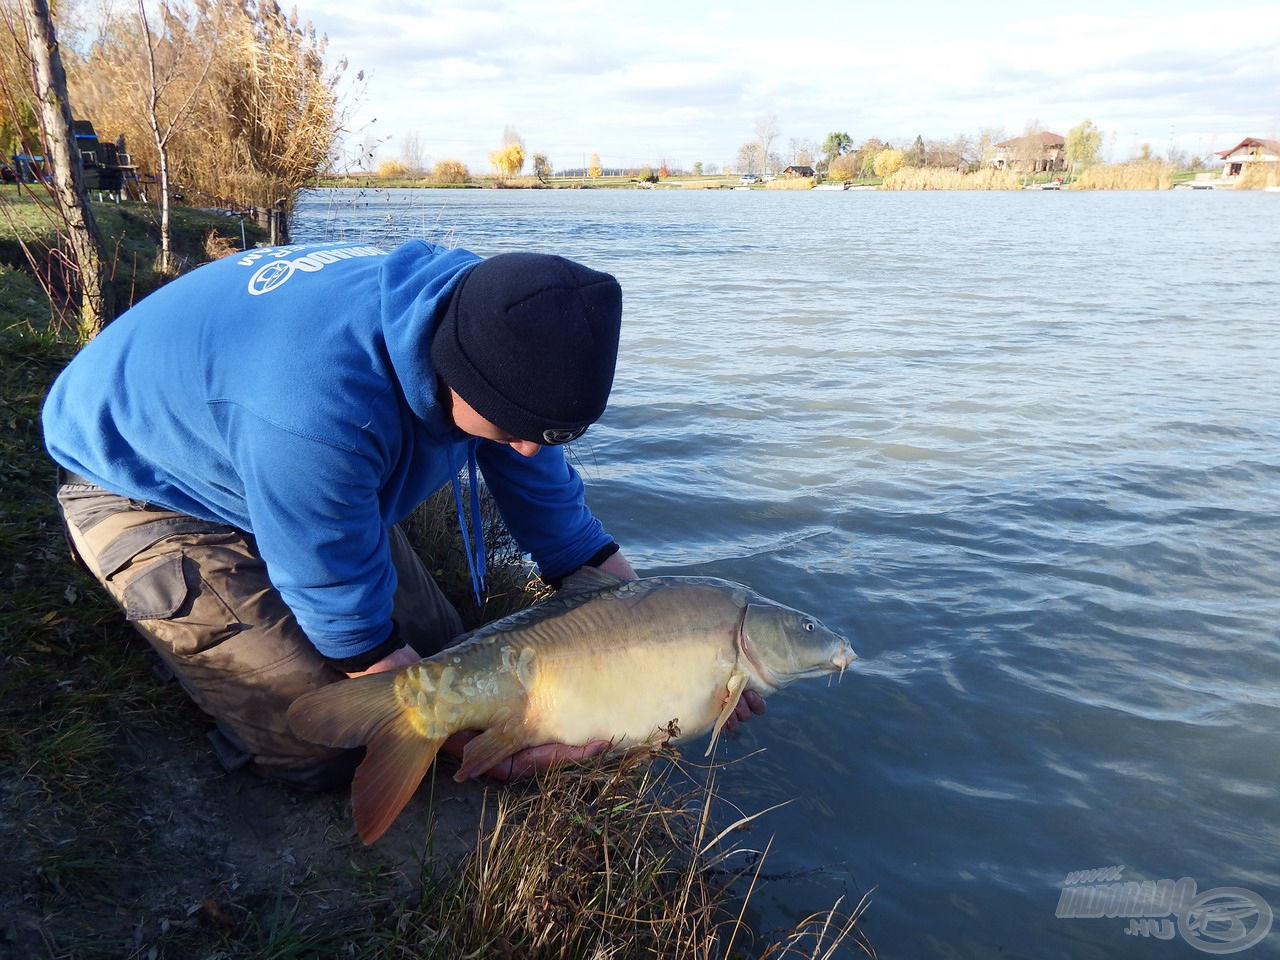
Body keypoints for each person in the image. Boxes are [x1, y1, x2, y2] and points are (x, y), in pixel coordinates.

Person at [42, 238, 763, 791]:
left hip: (278, 463)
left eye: (545, 435)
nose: (523, 447)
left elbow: (565, 533)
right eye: (513, 427)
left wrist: (674, 636)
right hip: (149, 488)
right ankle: (167, 612)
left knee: (449, 652)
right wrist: (486, 750)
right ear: (455, 369)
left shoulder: (506, 324)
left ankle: (250, 608)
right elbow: (351, 624)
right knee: (327, 745)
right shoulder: (314, 409)